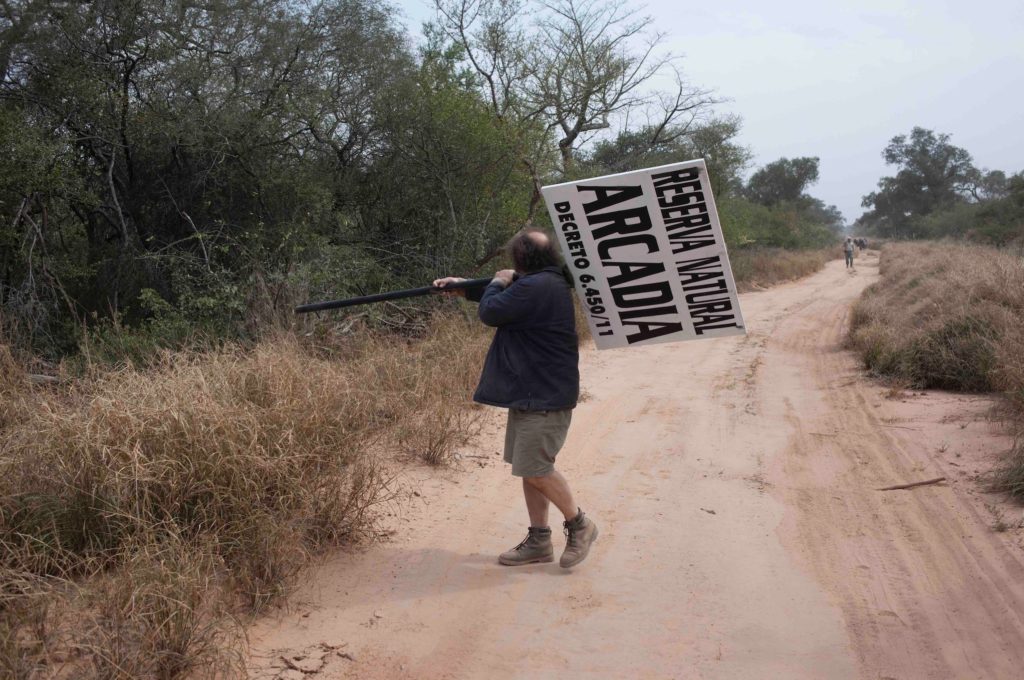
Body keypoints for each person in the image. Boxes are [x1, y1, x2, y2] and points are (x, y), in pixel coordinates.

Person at [433, 229, 598, 569]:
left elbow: (493, 311)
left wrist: (495, 281)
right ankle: (539, 540)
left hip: (545, 395)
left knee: (536, 468)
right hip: (532, 392)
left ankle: (581, 525)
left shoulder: (538, 286)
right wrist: (464, 285)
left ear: (520, 258)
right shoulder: (546, 282)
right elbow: (511, 295)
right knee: (529, 468)